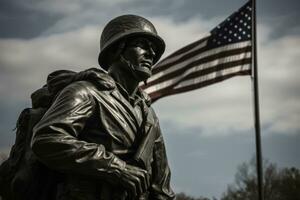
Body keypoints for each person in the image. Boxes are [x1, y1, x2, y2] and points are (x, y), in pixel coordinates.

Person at [31, 14, 175, 200]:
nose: (151, 53)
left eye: (153, 49)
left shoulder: (149, 116)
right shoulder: (86, 92)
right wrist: (117, 168)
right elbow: (47, 139)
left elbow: (161, 188)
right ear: (116, 50)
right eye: (141, 44)